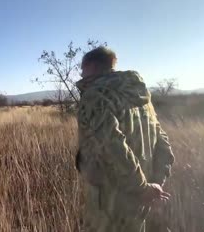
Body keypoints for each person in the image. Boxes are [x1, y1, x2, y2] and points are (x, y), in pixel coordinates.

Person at [75, 46, 175, 232]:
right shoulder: (142, 98)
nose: (81, 73)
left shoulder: (95, 96)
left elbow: (112, 146)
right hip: (139, 201)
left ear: (92, 66)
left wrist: (142, 188)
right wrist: (154, 185)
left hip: (109, 202)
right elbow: (164, 145)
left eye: (82, 68)